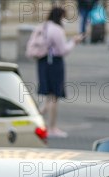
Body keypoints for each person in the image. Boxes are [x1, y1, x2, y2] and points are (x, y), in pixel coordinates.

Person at [37, 6, 83, 138]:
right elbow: (63, 50)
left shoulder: (44, 26)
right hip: (55, 63)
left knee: (48, 96)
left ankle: (35, 120)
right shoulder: (57, 30)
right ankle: (52, 127)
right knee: (54, 96)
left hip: (43, 62)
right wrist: (74, 42)